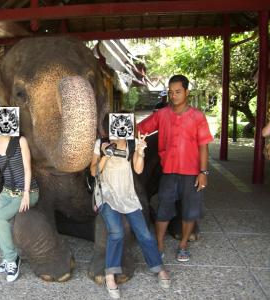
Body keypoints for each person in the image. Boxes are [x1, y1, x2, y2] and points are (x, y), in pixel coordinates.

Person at [137, 75, 213, 263]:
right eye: (171, 92)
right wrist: (117, 127)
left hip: (192, 174)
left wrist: (203, 173)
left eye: (178, 92)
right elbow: (141, 128)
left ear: (187, 92)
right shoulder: (162, 114)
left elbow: (204, 146)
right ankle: (159, 245)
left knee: (189, 213)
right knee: (163, 210)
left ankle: (183, 245)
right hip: (169, 173)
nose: (174, 96)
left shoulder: (197, 116)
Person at [90, 123, 170, 299]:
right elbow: (93, 171)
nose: (118, 128)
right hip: (107, 195)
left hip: (127, 195)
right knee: (116, 232)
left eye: (123, 123)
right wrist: (106, 154)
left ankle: (158, 267)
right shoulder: (101, 143)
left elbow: (138, 169)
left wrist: (140, 152)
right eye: (114, 123)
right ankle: (110, 275)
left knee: (145, 234)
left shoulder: (131, 143)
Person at [0, 133, 39, 283]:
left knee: (0, 219)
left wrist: (26, 193)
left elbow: (28, 169)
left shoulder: (20, 141)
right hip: (7, 192)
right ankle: (9, 257)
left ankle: (11, 260)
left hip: (27, 192)